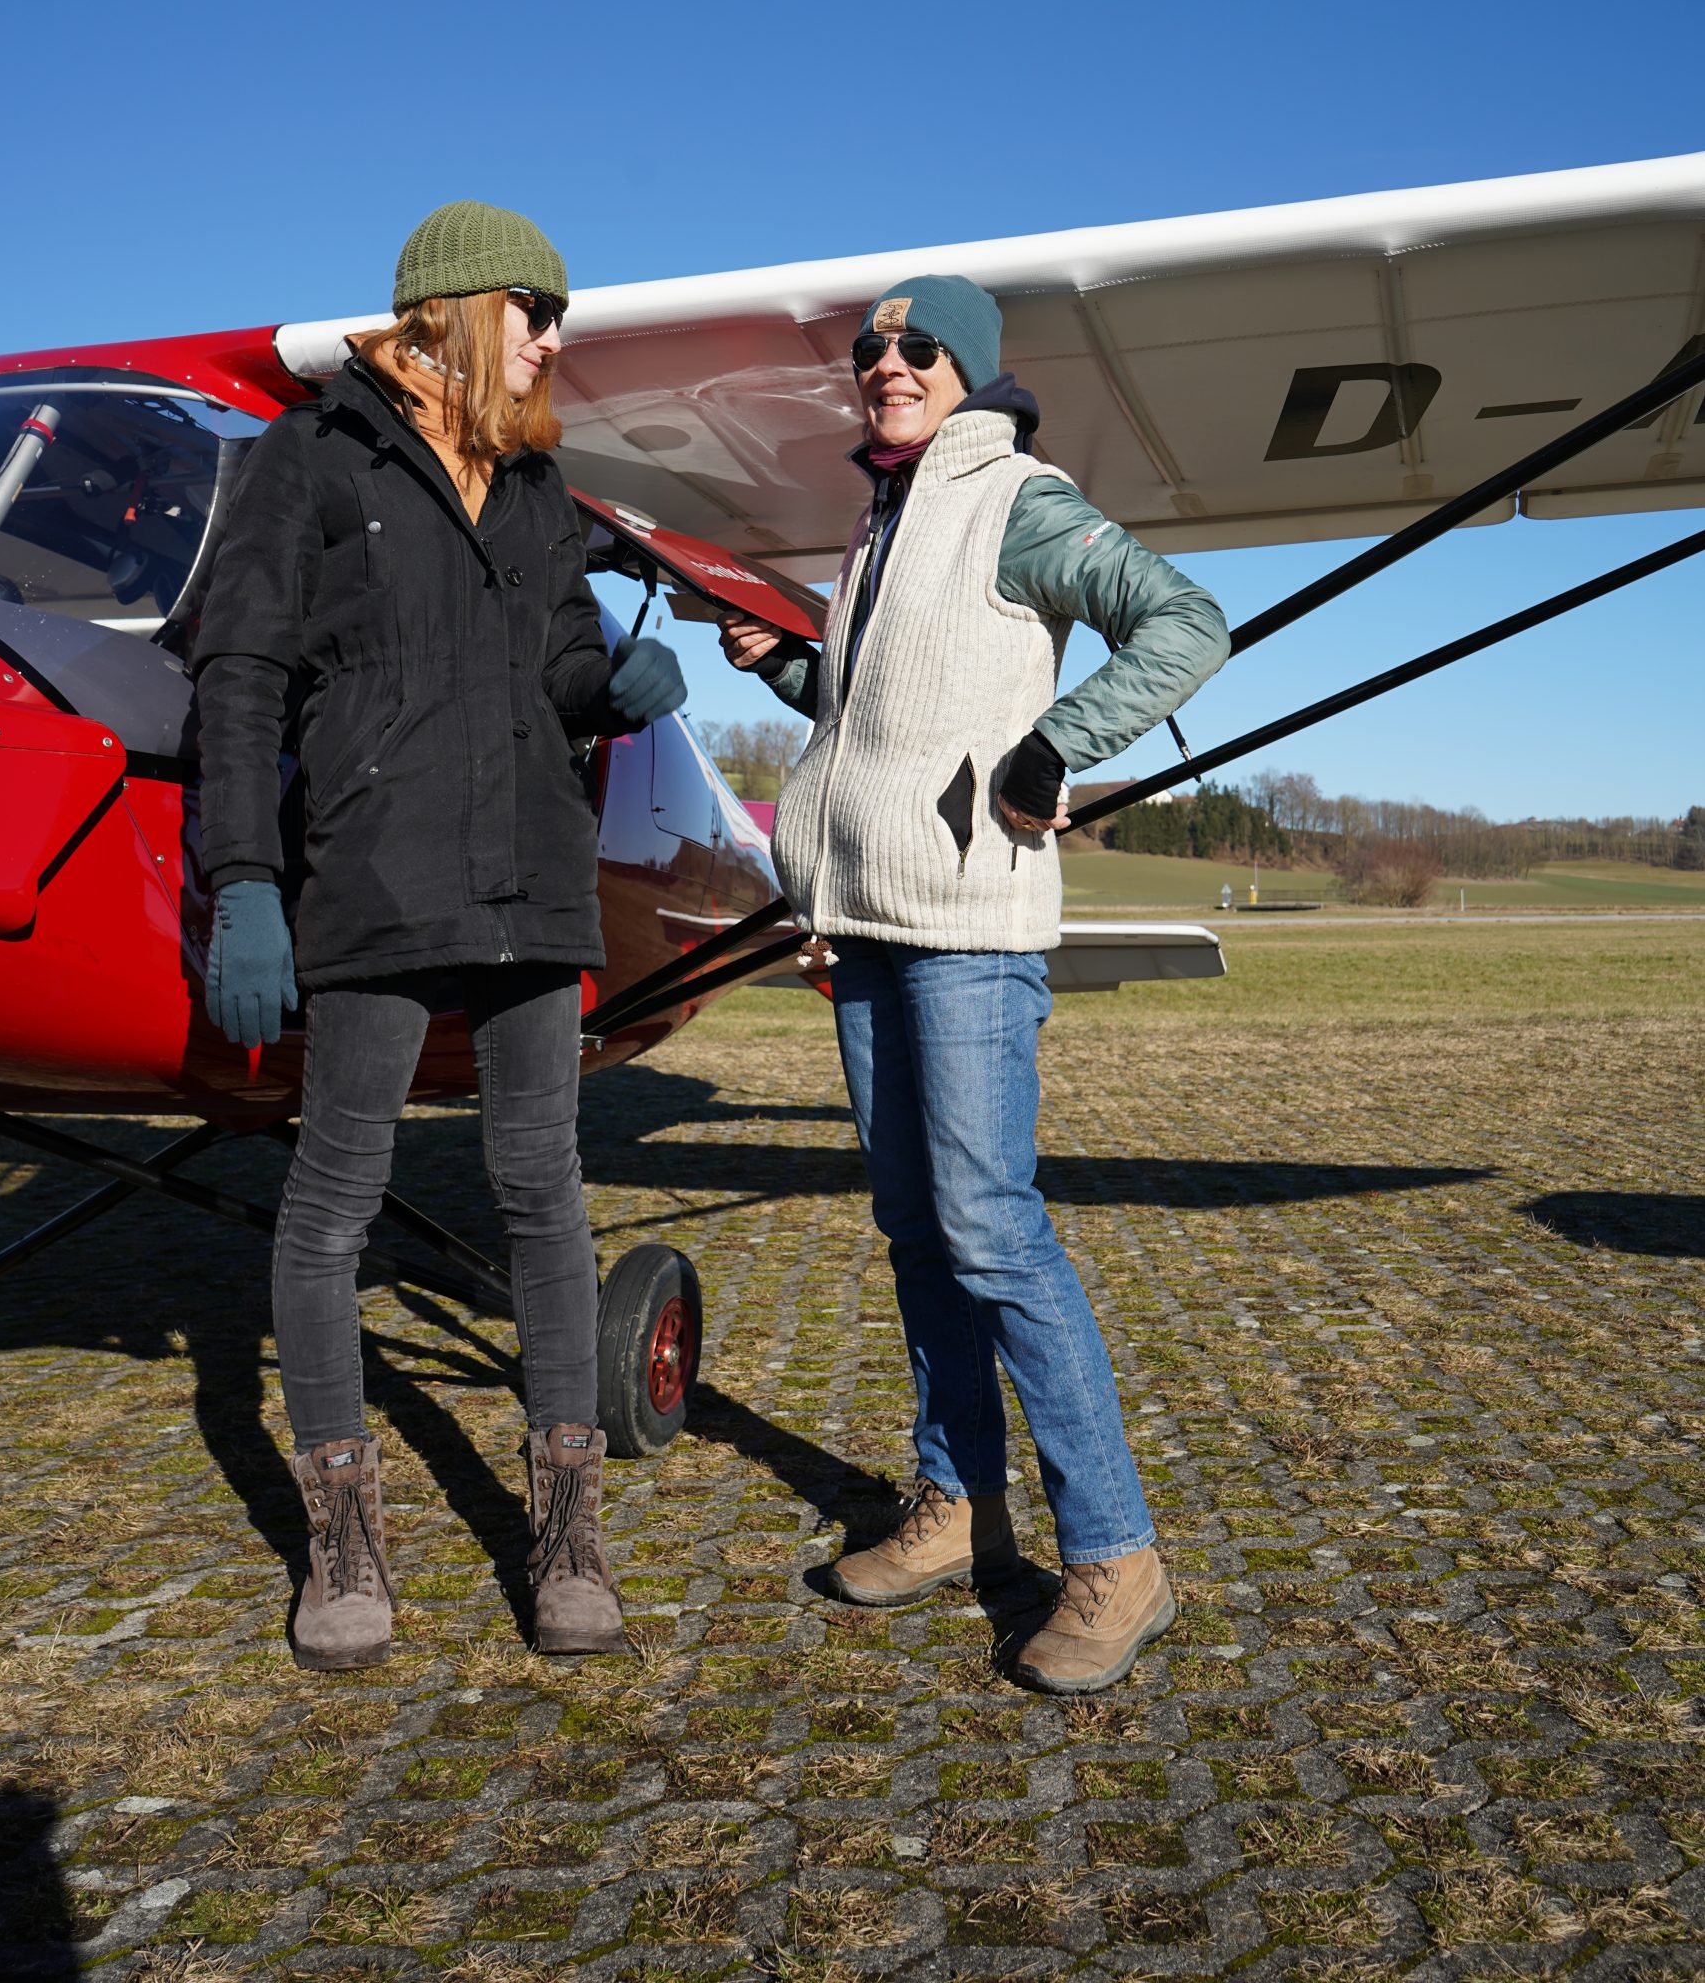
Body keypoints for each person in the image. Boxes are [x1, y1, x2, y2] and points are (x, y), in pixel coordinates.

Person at [192, 200, 685, 1672]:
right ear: (454, 312)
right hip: (377, 879)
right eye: (536, 309)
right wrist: (246, 880)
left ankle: (569, 1535)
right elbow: (237, 677)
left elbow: (560, 667)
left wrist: (616, 686)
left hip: (533, 879)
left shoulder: (537, 490)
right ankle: (342, 1543)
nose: (554, 336)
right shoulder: (311, 458)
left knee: (541, 1186)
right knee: (334, 1200)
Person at [720, 275, 1229, 1694]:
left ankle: (1119, 1555)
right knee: (915, 1228)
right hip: (868, 919)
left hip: (968, 925)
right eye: (872, 349)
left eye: (918, 348)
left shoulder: (1017, 498)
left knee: (993, 1230)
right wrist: (790, 671)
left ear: (973, 372)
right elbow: (890, 720)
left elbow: (1185, 624)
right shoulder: (882, 518)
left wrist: (1058, 745)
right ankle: (958, 1505)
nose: (888, 364)